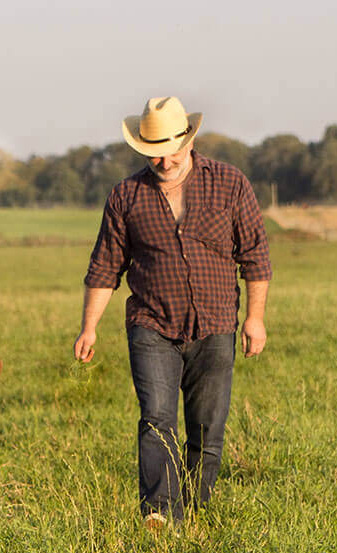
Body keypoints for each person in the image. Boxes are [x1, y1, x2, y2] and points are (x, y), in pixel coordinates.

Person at [73, 96, 272, 530]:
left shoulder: (229, 183)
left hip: (216, 325)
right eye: (152, 153)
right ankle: (161, 512)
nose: (162, 160)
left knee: (206, 431)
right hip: (151, 325)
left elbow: (255, 255)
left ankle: (195, 509)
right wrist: (88, 327)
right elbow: (106, 265)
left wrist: (255, 319)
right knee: (156, 419)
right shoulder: (126, 195)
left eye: (169, 150)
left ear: (188, 139)